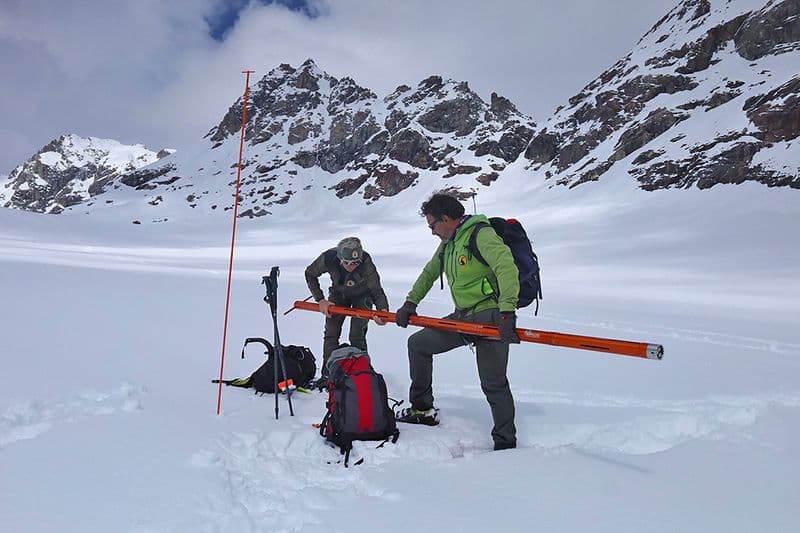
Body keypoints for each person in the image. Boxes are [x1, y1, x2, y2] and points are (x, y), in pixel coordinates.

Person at [394, 193, 521, 451]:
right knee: (418, 344)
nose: (432, 232)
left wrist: (507, 311)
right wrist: (410, 303)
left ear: (447, 218)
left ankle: (506, 444)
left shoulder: (480, 234)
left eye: (432, 225)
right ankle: (422, 410)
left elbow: (506, 265)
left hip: (490, 317)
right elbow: (429, 273)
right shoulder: (449, 244)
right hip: (462, 317)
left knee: (493, 383)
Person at [304, 237, 389, 383]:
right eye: (346, 263)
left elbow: (376, 290)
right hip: (338, 295)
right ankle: (328, 374)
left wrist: (383, 311)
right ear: (339, 258)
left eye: (355, 263)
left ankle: (361, 373)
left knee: (357, 334)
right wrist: (321, 300)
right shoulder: (328, 258)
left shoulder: (366, 263)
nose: (350, 267)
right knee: (331, 333)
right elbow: (310, 274)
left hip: (362, 296)